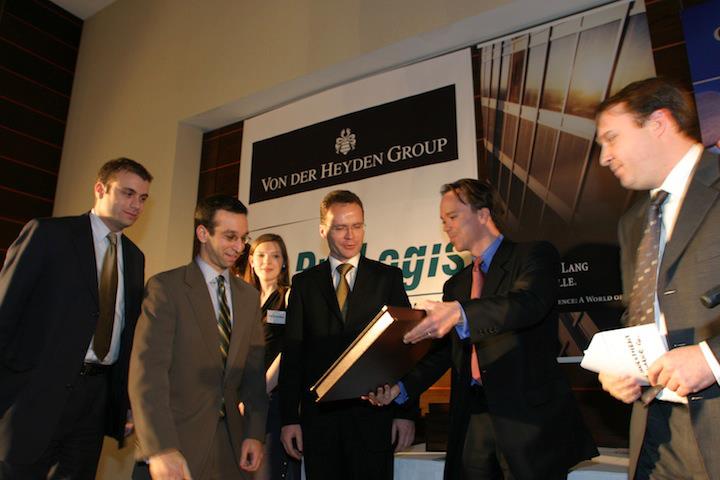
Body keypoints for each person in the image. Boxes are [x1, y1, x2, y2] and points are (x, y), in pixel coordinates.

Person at [368, 178, 597, 480]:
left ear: (483, 214)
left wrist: (461, 312)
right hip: (473, 418)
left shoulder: (534, 255)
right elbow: (444, 354)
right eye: (443, 220)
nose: (446, 226)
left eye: (452, 216)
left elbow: (526, 304)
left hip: (528, 421)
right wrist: (401, 388)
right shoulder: (456, 284)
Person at [595, 77, 720, 479]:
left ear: (659, 123)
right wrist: (621, 368)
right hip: (655, 434)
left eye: (611, 138)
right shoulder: (633, 222)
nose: (604, 157)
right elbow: (640, 315)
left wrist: (712, 359)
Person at [0, 158, 152, 478]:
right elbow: (7, 311)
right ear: (100, 189)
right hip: (36, 393)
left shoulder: (135, 257)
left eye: (142, 198)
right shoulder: (48, 234)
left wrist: (124, 402)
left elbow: (127, 334)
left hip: (95, 400)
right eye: (127, 193)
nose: (136, 205)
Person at [278, 190, 415, 479]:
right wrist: (289, 418)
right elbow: (293, 356)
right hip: (319, 424)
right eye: (340, 227)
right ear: (323, 230)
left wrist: (405, 412)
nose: (350, 235)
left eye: (357, 226)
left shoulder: (388, 278)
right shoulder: (304, 284)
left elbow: (404, 348)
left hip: (374, 419)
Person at [129, 195, 267, 480]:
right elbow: (148, 374)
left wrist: (254, 433)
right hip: (175, 444)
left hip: (232, 448)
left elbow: (253, 375)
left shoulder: (249, 297)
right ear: (203, 233)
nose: (239, 247)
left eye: (243, 238)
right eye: (230, 236)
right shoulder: (166, 288)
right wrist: (160, 447)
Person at [242, 234, 301, 480]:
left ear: (284, 262)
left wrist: (261, 389)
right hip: (241, 401)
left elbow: (291, 349)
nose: (267, 261)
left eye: (275, 256)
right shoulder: (243, 301)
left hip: (273, 399)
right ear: (251, 261)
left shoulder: (289, 296)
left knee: (267, 472)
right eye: (261, 255)